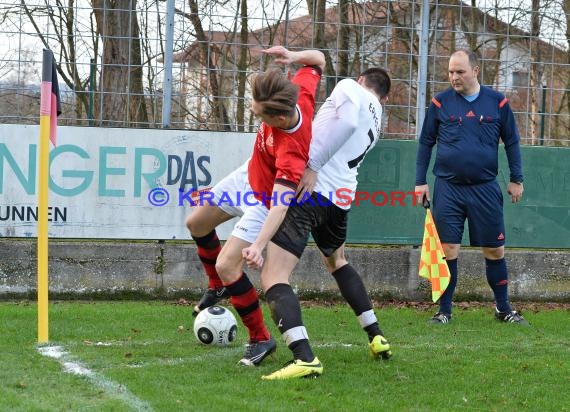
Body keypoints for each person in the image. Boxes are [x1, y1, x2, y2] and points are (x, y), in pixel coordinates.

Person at [242, 68, 393, 380]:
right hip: (341, 198)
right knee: (337, 261)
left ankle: (304, 357)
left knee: (273, 275)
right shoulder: (378, 114)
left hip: (315, 189)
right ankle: (376, 335)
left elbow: (348, 121)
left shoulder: (351, 87)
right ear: (385, 95)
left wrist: (313, 165)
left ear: (362, 79)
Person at [185, 46, 326, 366]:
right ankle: (218, 288)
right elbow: (318, 59)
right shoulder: (299, 93)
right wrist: (292, 56)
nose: (253, 112)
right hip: (248, 175)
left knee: (227, 264)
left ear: (276, 119)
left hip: (264, 200)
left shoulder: (291, 152)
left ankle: (260, 337)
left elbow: (279, 206)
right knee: (197, 223)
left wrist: (258, 246)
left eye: (258, 113)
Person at [414, 49, 528, 325]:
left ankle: (503, 308)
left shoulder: (497, 102)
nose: (454, 77)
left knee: (494, 250)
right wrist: (420, 181)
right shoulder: (440, 103)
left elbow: (511, 141)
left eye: (460, 71)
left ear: (475, 71)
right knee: (449, 249)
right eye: (451, 71)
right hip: (448, 189)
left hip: (485, 188)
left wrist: (517, 179)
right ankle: (444, 311)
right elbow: (426, 142)